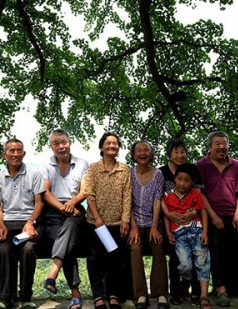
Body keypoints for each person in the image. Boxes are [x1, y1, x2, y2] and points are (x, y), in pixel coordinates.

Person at [196, 131, 238, 308]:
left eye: (224, 143)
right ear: (210, 146)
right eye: (217, 143)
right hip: (211, 216)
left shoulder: (236, 165)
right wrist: (214, 216)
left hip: (234, 214)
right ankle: (220, 289)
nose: (222, 147)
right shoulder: (201, 165)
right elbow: (200, 194)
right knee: (214, 246)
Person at [0, 138, 45, 309]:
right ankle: (7, 297)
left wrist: (31, 222)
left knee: (28, 250)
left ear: (24, 153)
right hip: (7, 224)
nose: (16, 154)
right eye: (11, 151)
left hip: (28, 224)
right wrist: (0, 225)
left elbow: (39, 202)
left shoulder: (34, 174)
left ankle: (26, 296)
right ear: (4, 155)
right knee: (2, 250)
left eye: (19, 151)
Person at [41, 130, 87, 309]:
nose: (61, 146)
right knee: (67, 243)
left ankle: (53, 271)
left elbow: (84, 190)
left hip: (75, 209)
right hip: (53, 210)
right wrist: (62, 208)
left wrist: (72, 204)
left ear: (70, 142)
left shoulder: (82, 163)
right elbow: (45, 192)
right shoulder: (45, 165)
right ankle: (75, 293)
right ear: (51, 146)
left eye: (64, 142)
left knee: (70, 228)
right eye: (56, 143)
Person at [84, 132, 131, 309]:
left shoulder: (124, 169)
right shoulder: (93, 168)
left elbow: (127, 196)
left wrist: (125, 220)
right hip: (96, 224)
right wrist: (97, 218)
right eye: (108, 143)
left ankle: (113, 295)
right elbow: (89, 193)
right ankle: (98, 296)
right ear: (101, 147)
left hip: (118, 224)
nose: (112, 146)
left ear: (119, 147)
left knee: (116, 260)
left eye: (115, 143)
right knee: (95, 259)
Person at [162, 164, 211, 309]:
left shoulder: (196, 193)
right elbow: (166, 216)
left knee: (202, 263)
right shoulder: (168, 195)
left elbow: (203, 212)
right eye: (179, 179)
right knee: (185, 265)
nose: (182, 183)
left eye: (186, 180)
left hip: (197, 232)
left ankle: (204, 296)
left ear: (192, 181)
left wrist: (206, 233)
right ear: (175, 179)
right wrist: (168, 232)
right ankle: (186, 281)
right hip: (179, 235)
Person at [159, 138, 201, 305]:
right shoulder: (161, 172)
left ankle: (195, 290)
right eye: (176, 152)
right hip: (171, 222)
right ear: (169, 154)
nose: (180, 155)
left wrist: (194, 211)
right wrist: (168, 214)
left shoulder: (192, 170)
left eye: (182, 151)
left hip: (192, 221)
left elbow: (199, 195)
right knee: (175, 256)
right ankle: (176, 291)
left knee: (196, 254)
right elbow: (158, 197)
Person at [128, 141, 168, 309]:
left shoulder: (158, 174)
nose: (143, 153)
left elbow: (158, 201)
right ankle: (141, 295)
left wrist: (153, 227)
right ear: (134, 155)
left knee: (158, 246)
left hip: (153, 221)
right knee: (135, 249)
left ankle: (161, 294)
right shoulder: (129, 173)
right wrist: (134, 227)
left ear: (151, 155)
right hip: (135, 222)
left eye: (146, 150)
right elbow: (126, 202)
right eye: (139, 150)